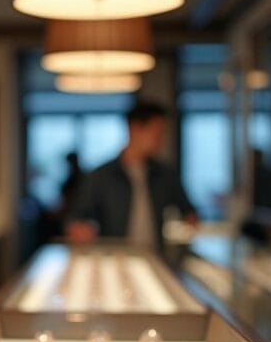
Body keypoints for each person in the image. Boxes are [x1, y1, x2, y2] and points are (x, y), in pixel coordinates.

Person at [66, 101, 197, 250]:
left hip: (156, 257)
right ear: (134, 128)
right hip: (114, 257)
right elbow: (78, 217)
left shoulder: (166, 175)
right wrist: (80, 228)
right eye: (157, 133)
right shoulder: (101, 176)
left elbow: (188, 212)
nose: (161, 141)